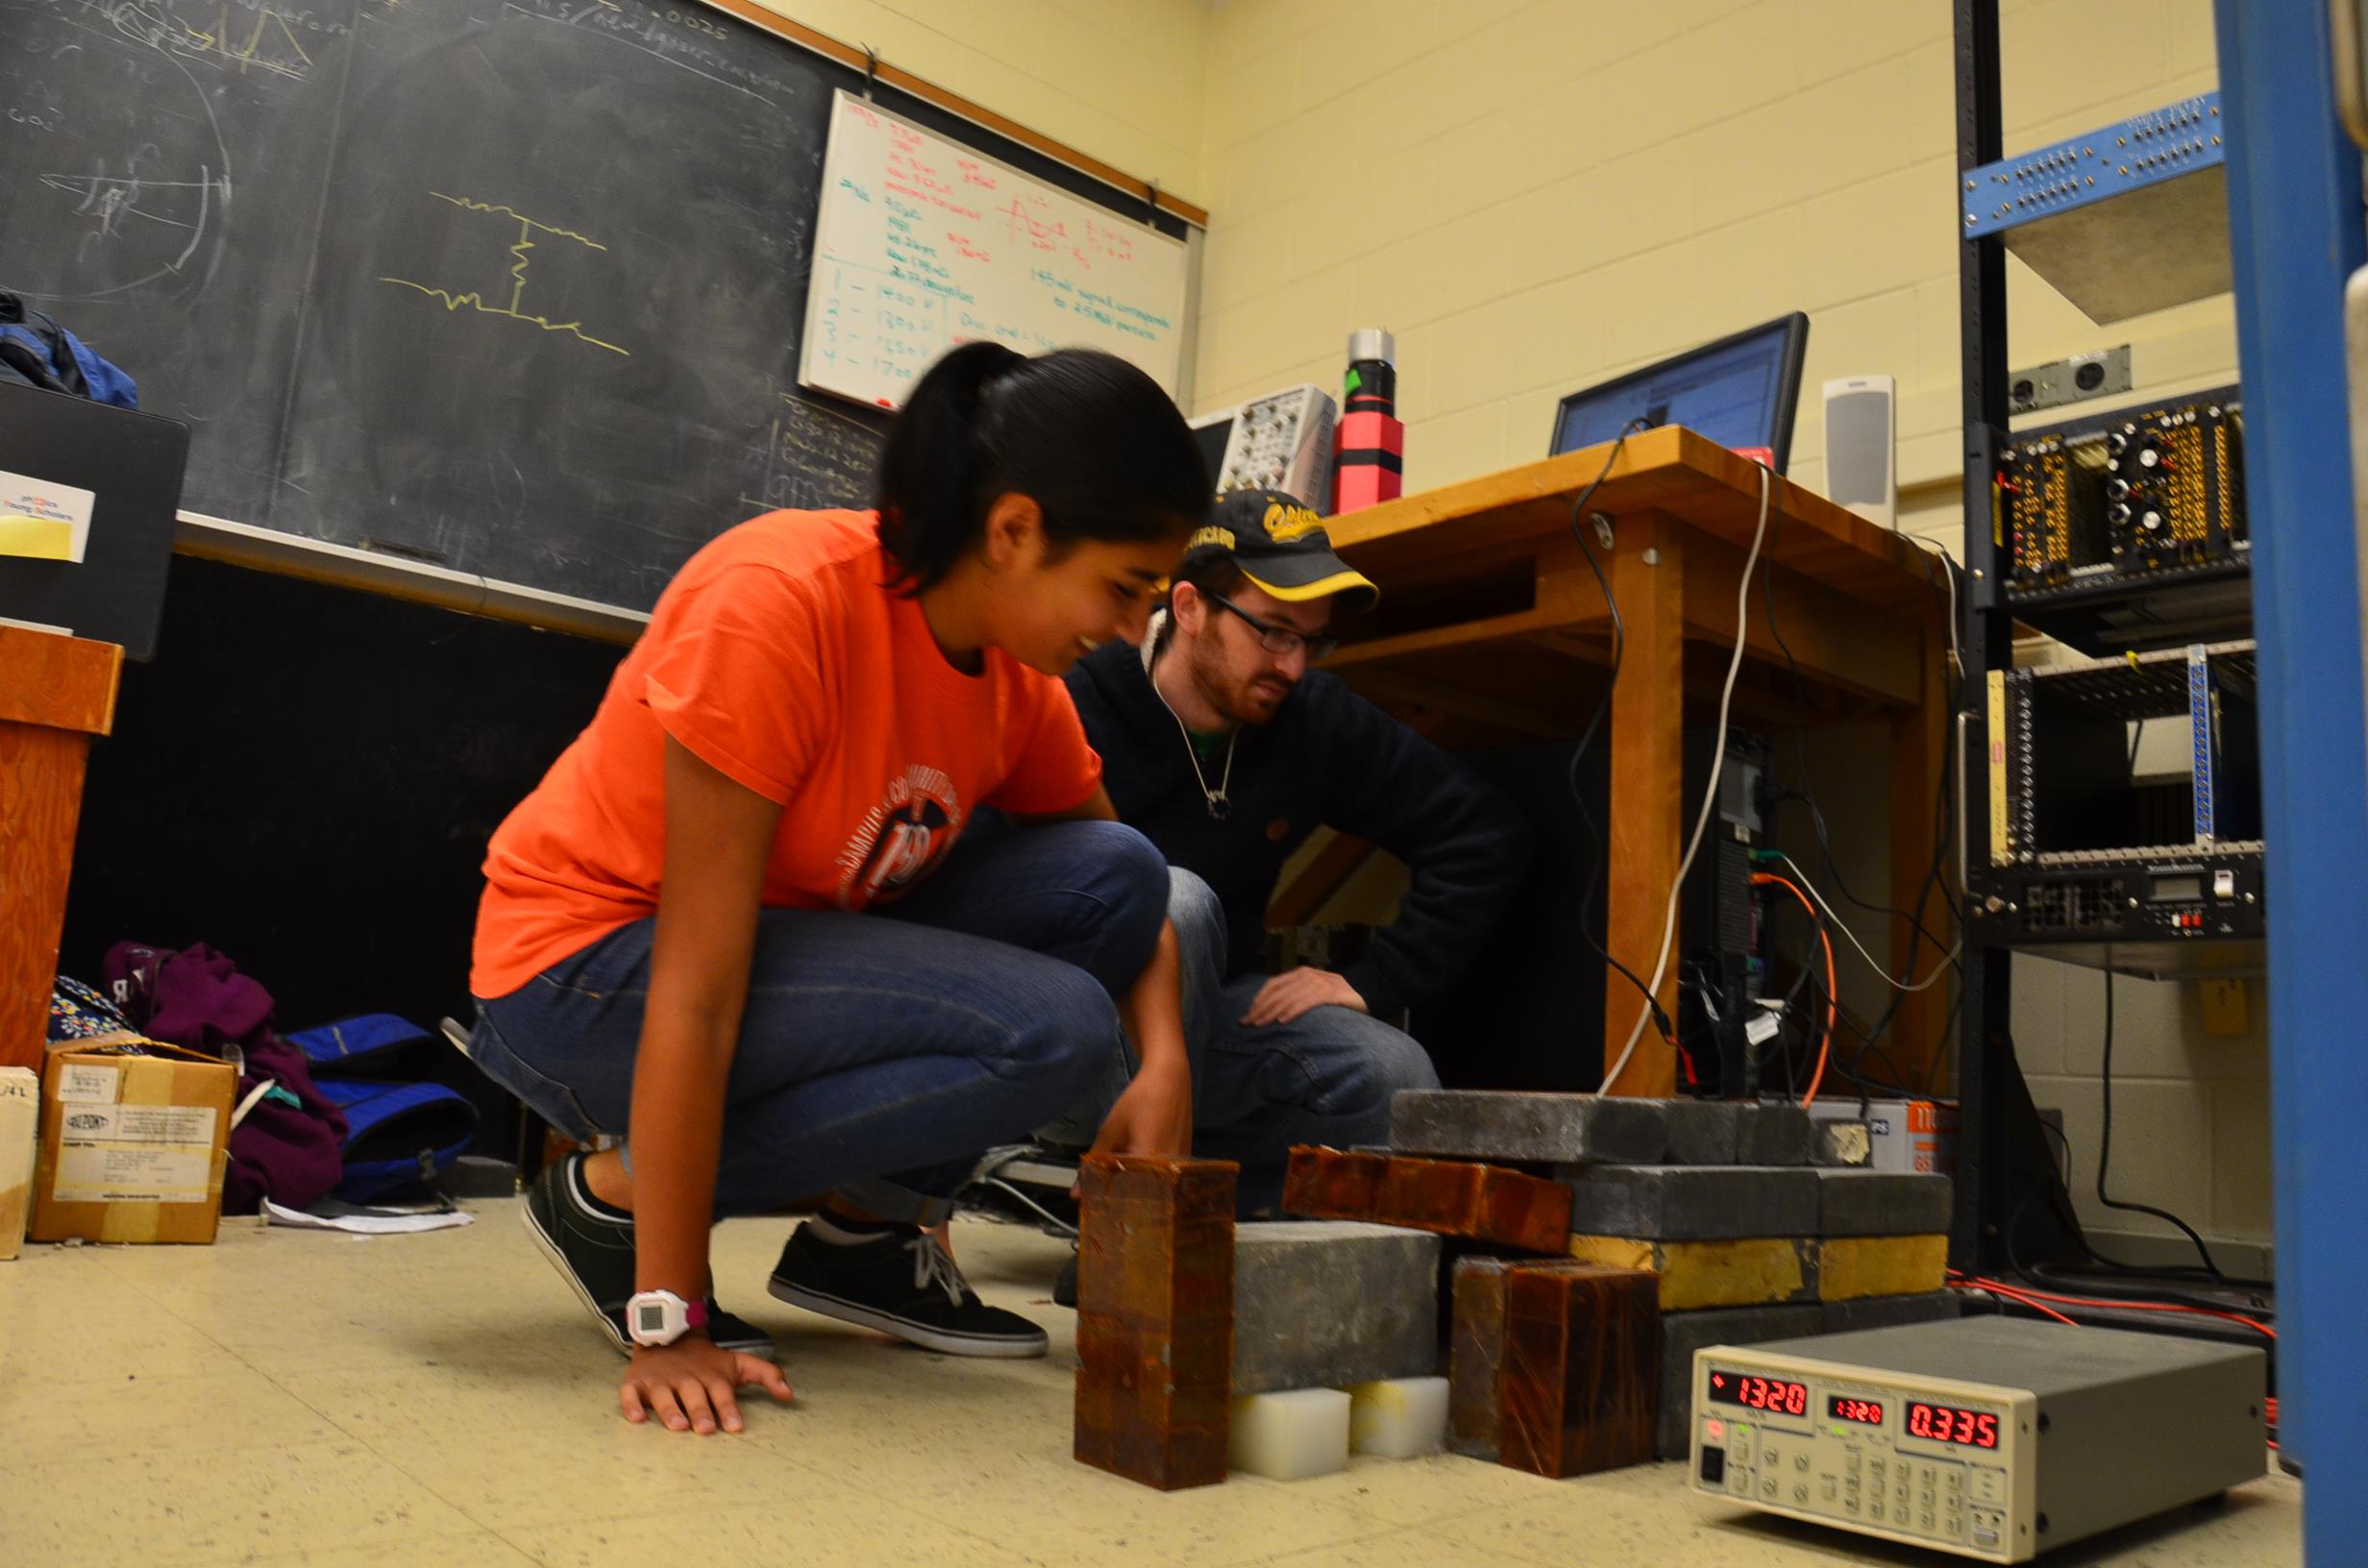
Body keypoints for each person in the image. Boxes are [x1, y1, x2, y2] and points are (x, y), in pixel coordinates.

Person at [463, 343, 1210, 1436]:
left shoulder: (1017, 672)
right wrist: (671, 1319)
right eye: (1125, 587)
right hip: (582, 973)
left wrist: (1170, 1058)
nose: (1130, 629)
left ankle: (868, 1242)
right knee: (1050, 1032)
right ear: (1013, 531)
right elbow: (697, 988)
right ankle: (609, 1205)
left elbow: (1122, 891)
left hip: (769, 954)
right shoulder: (777, 602)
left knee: (1120, 872)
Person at [1062, 488, 1530, 1219]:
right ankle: (1130, 1234)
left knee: (1394, 1075)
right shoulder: (1081, 699)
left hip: (1208, 1020)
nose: (1294, 667)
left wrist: (1377, 977)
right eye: (1274, 631)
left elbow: (1480, 832)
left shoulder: (1310, 721)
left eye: (1312, 640)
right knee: (1168, 895)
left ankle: (1214, 1228)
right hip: (1072, 1031)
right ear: (1188, 607)